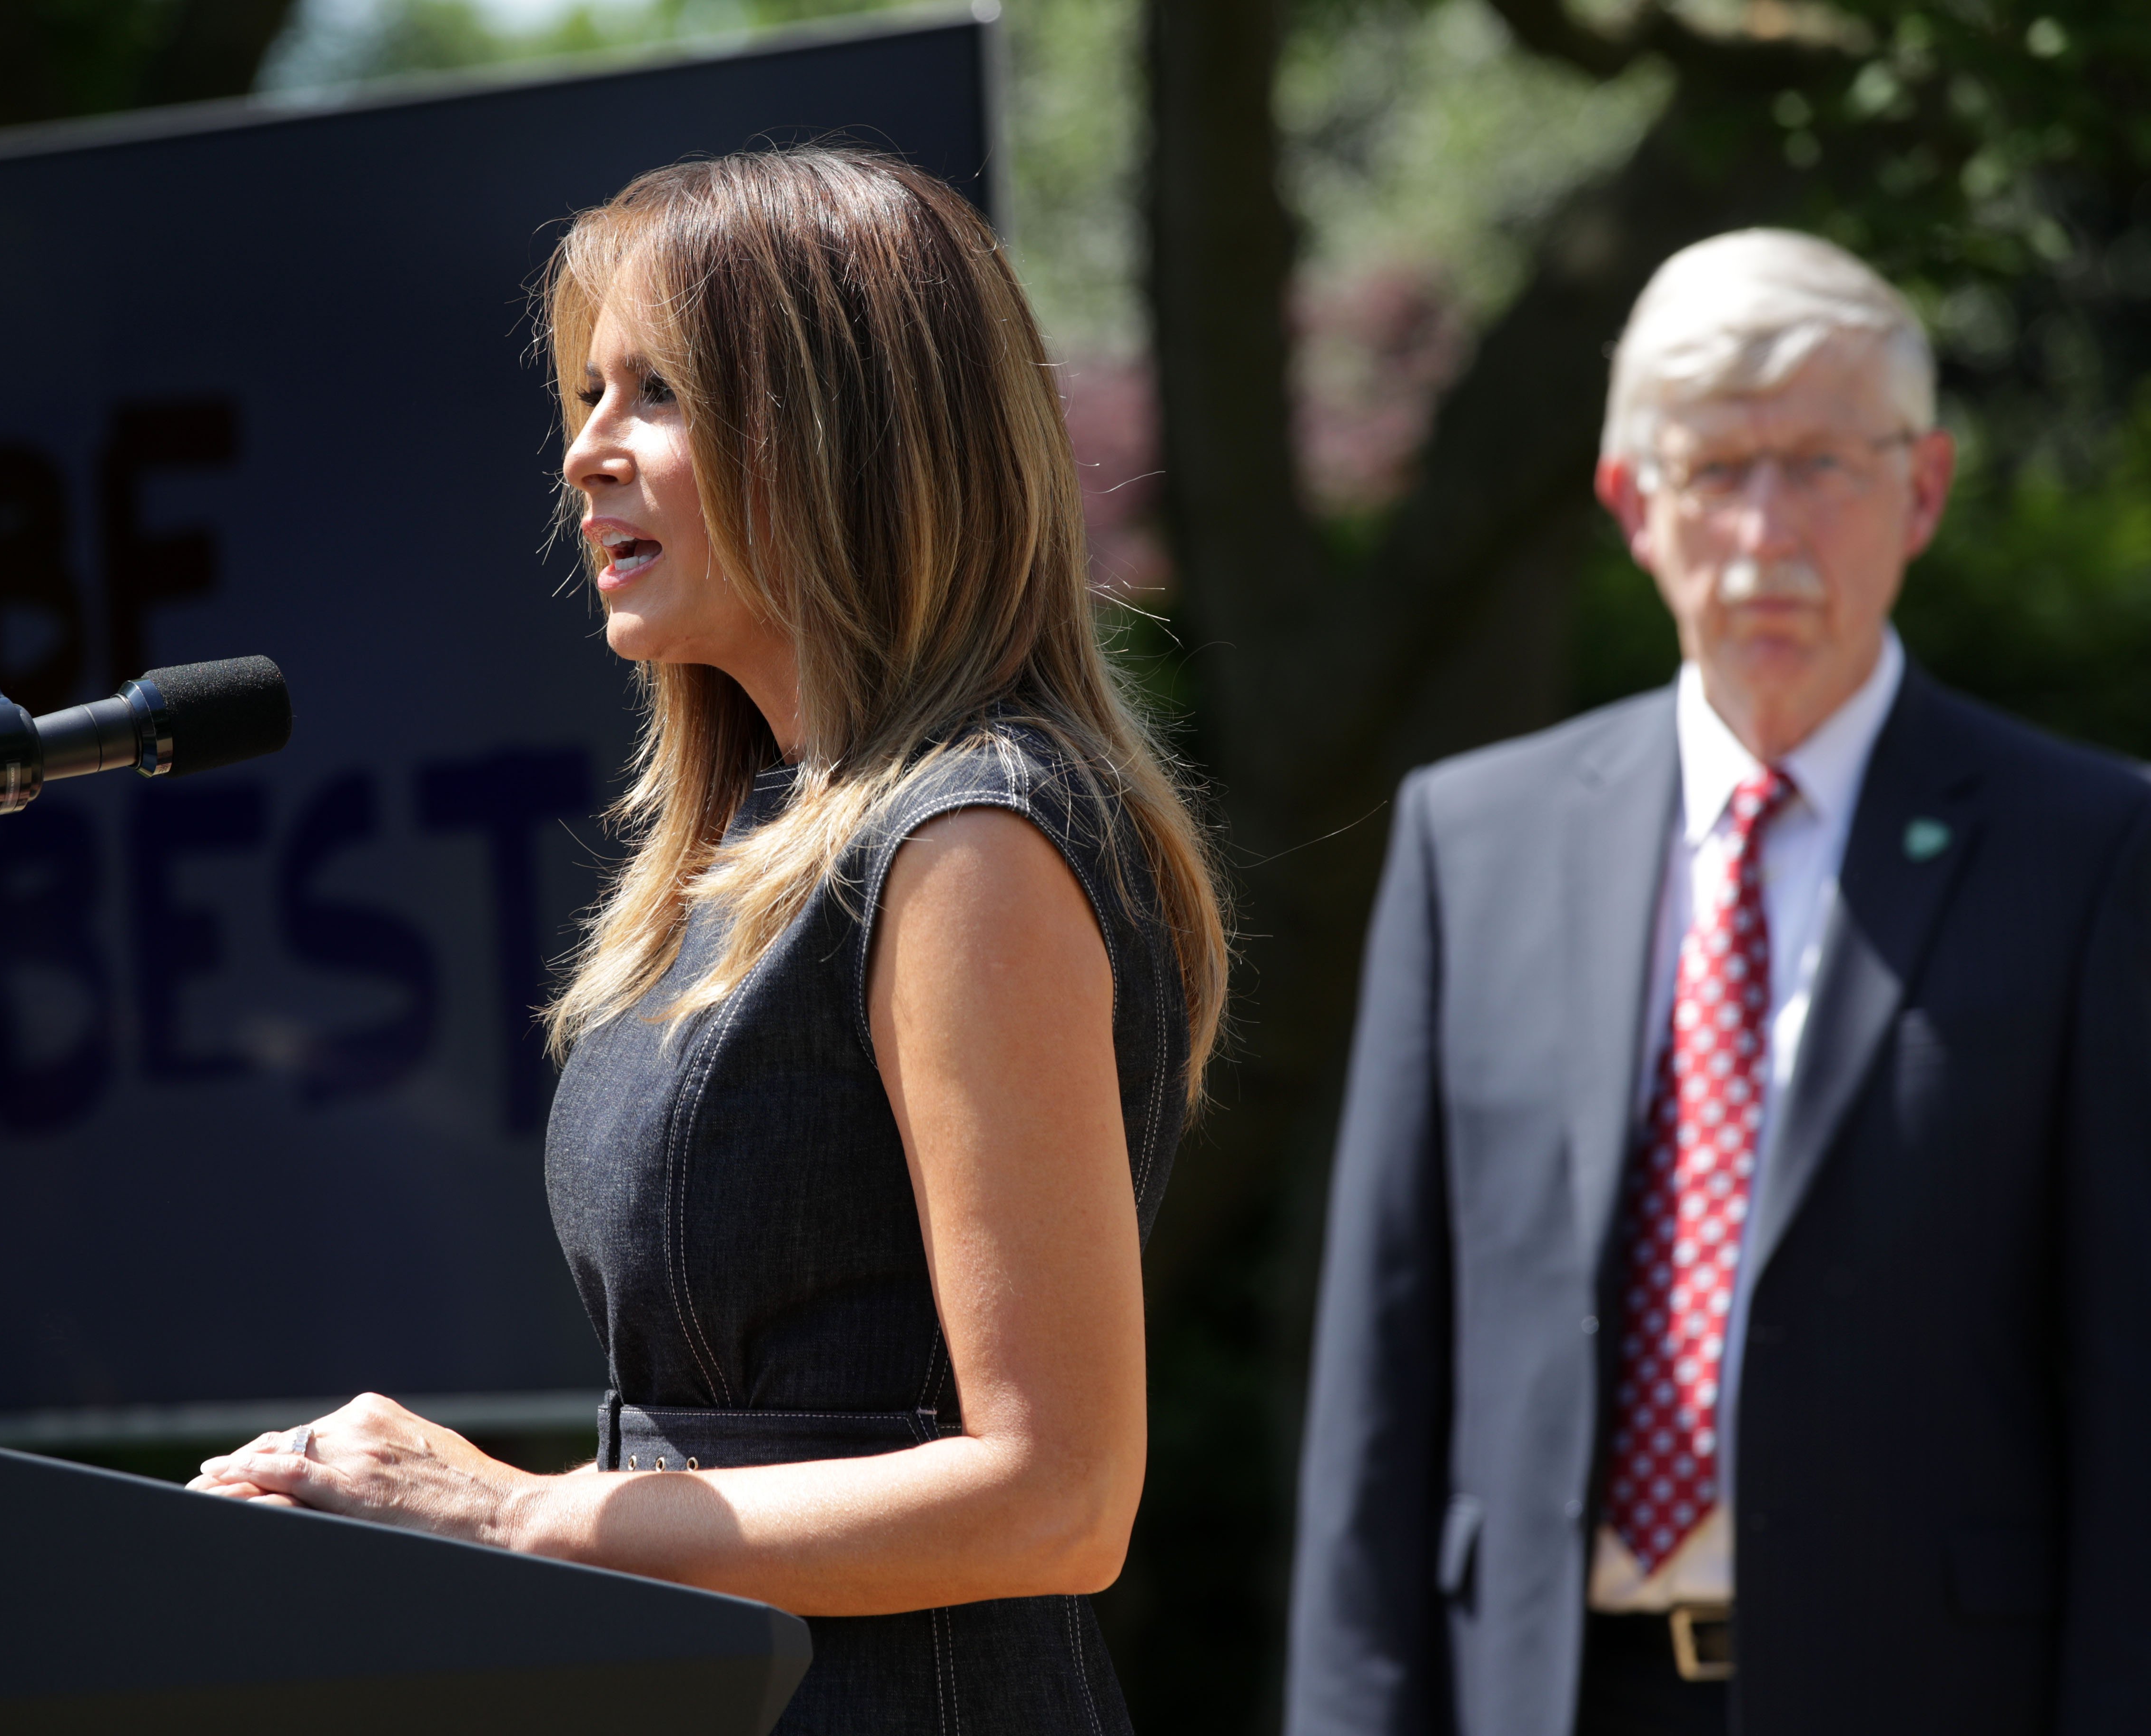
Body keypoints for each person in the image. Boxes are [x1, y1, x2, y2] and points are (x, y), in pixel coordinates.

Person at [187, 148, 1229, 1734]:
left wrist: (501, 1513)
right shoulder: (759, 847)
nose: (586, 456)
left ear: (841, 438)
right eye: (588, 396)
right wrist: (378, 1507)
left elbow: (1055, 1499)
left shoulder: (973, 844)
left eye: (656, 395)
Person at [1288, 228, 2151, 1736]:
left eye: (1822, 465)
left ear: (1924, 489)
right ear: (1635, 503)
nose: (1766, 532)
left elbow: (2132, 1392)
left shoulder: (2091, 851)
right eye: (1717, 470)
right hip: (1546, 1695)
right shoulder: (1471, 841)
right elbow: (1383, 1378)